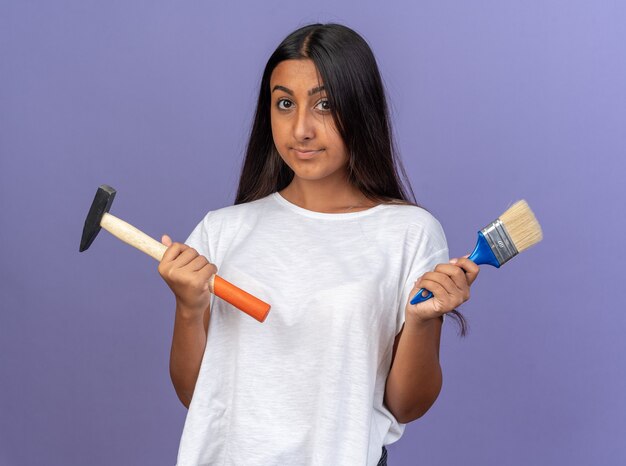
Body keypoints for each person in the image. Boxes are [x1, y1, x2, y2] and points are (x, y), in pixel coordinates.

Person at [158, 23, 479, 466]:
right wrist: (189, 308)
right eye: (285, 104)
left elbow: (407, 405)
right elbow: (199, 397)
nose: (302, 129)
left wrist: (422, 322)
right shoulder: (221, 232)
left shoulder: (410, 232)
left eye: (324, 104)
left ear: (360, 109)